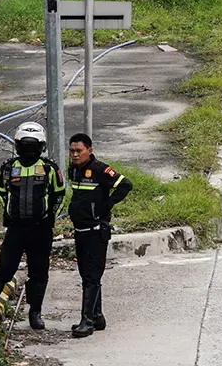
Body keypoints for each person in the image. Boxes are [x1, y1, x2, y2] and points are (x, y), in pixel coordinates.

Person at [0, 122, 66, 330]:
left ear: (41, 146)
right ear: (17, 146)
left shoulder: (49, 169)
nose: (29, 150)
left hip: (40, 229)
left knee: (39, 272)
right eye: (24, 145)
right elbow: (2, 191)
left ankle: (34, 313)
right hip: (16, 229)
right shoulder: (9, 168)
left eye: (33, 145)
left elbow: (59, 193)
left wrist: (50, 215)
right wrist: (10, 212)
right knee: (4, 270)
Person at [67, 133, 132, 338]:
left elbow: (125, 184)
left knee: (91, 277)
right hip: (80, 231)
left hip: (96, 231)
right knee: (87, 274)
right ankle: (97, 316)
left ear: (90, 150)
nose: (75, 155)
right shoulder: (74, 170)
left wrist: (107, 204)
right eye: (72, 151)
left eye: (79, 151)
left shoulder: (100, 170)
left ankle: (86, 321)